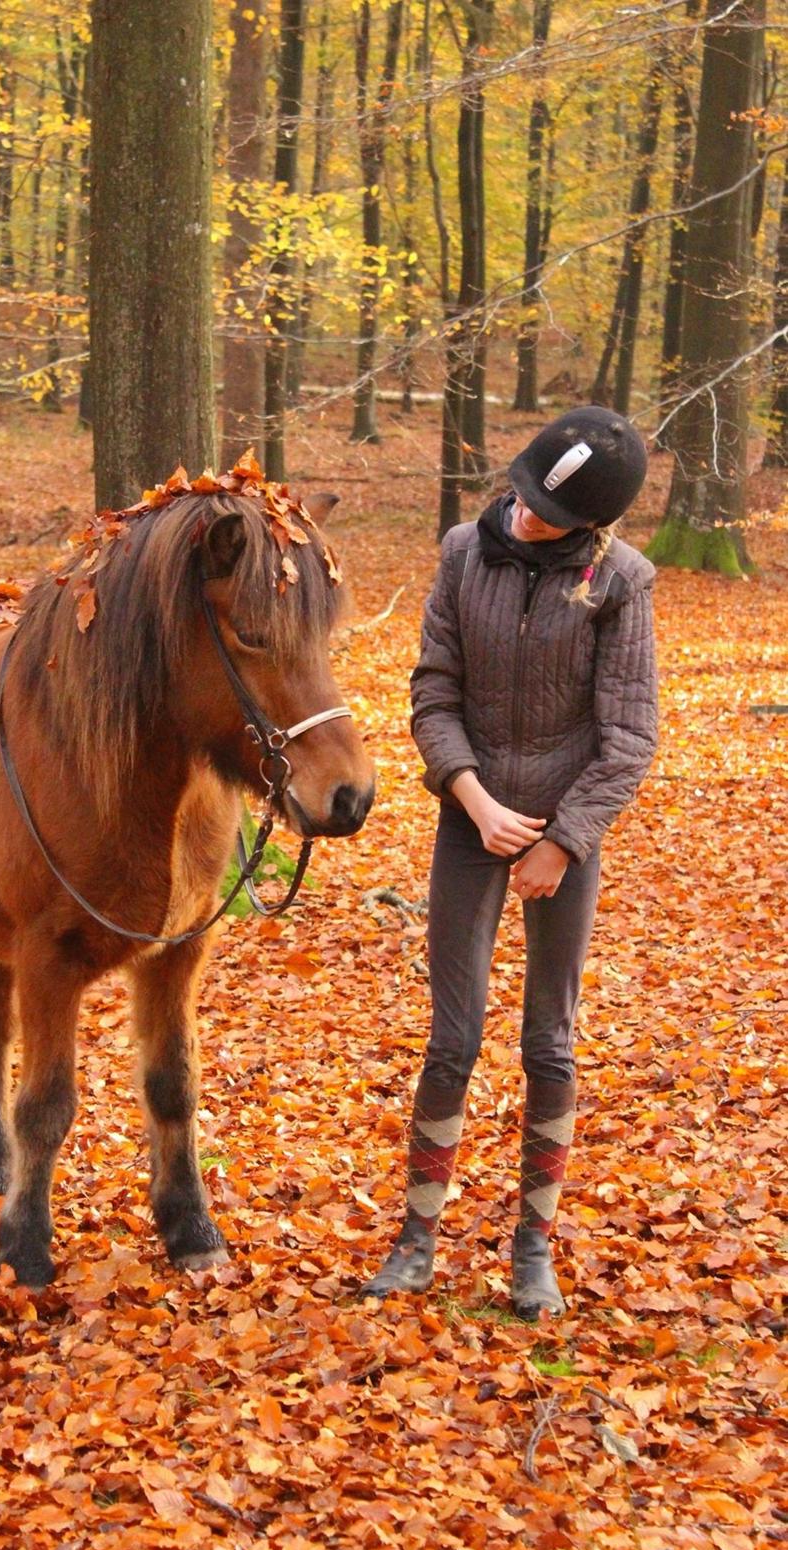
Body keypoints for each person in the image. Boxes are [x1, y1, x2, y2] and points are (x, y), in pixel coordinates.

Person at [362, 406, 658, 1318]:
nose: (526, 515)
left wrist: (563, 843)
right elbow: (432, 693)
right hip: (470, 818)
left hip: (566, 835)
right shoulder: (463, 551)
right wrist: (475, 801)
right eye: (524, 494)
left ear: (594, 524)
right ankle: (417, 1238)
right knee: (453, 1037)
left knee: (551, 1042)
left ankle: (534, 1248)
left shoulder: (621, 581)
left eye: (550, 511)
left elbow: (630, 738)